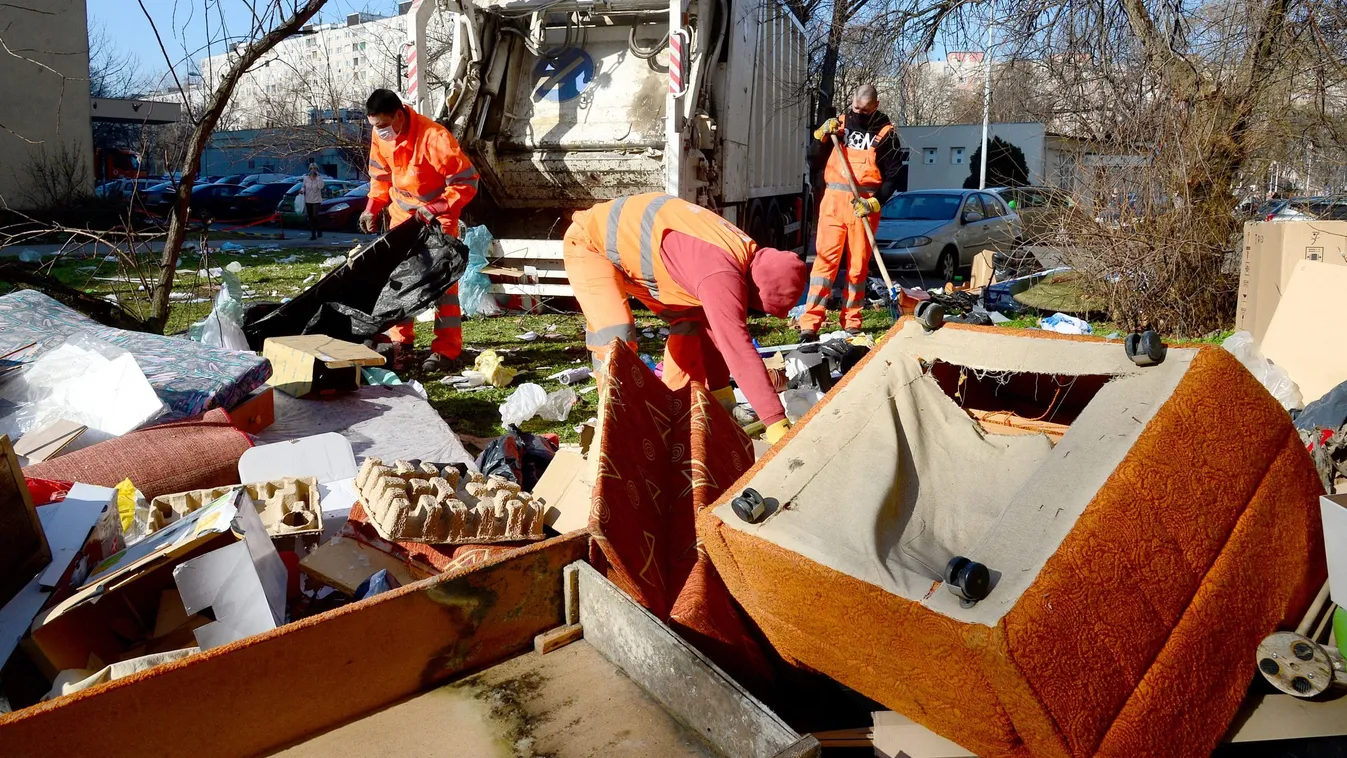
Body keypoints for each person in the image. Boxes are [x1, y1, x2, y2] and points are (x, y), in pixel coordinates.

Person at [563, 193, 808, 444]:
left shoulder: (742, 250)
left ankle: (672, 416)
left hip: (626, 249)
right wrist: (775, 421)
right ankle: (618, 430)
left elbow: (713, 331)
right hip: (589, 244)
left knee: (692, 325)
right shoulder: (720, 274)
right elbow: (736, 347)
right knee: (616, 342)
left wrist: (722, 397)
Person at [360, 88, 479, 372]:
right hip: (402, 219)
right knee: (400, 281)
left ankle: (447, 351)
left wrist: (435, 207)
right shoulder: (381, 135)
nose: (379, 132)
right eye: (374, 126)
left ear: (399, 116)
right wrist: (372, 207)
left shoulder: (434, 138)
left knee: (444, 288)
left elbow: (467, 183)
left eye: (383, 126)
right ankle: (401, 342)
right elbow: (380, 178)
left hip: (439, 221)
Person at [801, 84, 903, 342]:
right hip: (834, 203)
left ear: (875, 106)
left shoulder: (885, 133)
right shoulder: (838, 126)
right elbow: (813, 160)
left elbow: (893, 177)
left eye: (865, 110)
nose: (859, 113)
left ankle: (852, 322)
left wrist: (875, 203)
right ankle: (810, 323)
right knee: (825, 264)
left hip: (864, 207)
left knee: (857, 268)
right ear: (851, 102)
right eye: (856, 107)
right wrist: (819, 137)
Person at [301, 164, 325, 240]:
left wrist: (318, 177)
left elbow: (320, 187)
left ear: (317, 169)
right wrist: (301, 191)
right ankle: (313, 234)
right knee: (311, 217)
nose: (313, 170)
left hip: (317, 200)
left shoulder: (319, 178)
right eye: (311, 168)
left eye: (314, 168)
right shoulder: (306, 178)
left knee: (315, 215)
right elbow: (303, 186)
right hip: (308, 200)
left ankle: (319, 229)